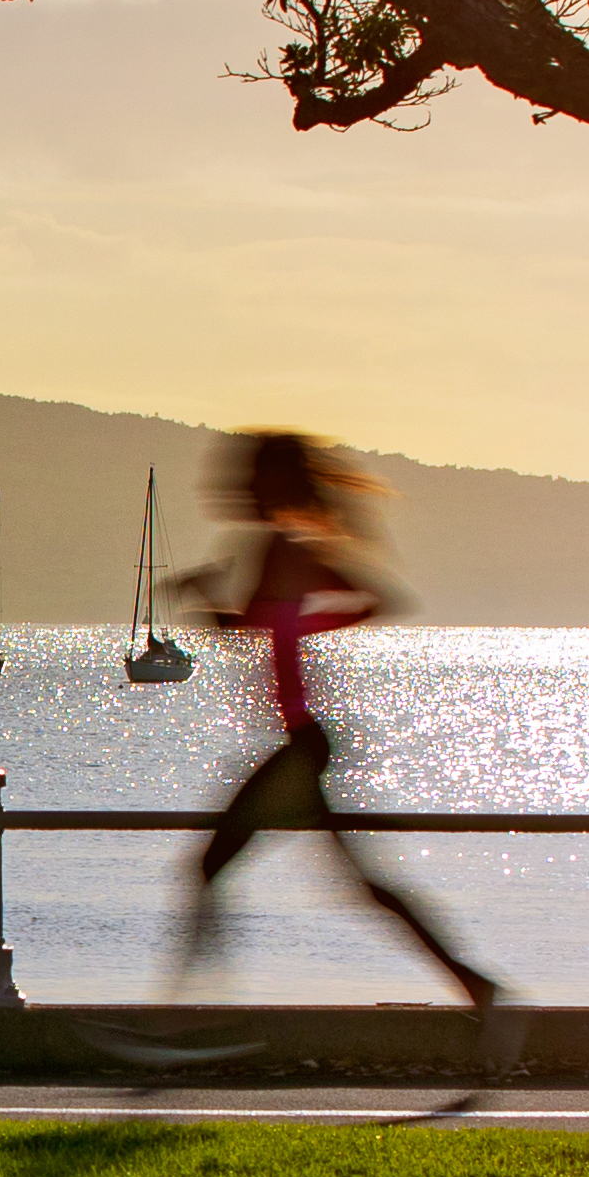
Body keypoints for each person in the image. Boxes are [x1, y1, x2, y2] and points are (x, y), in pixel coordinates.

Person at [103, 429, 506, 1070]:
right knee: (364, 888)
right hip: (304, 743)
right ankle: (481, 990)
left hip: (300, 746)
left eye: (245, 480)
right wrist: (250, 612)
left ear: (270, 487)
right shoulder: (286, 549)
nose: (232, 491)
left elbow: (322, 614)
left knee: (207, 870)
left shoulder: (278, 546)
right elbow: (299, 620)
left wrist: (245, 609)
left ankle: (183, 1031)